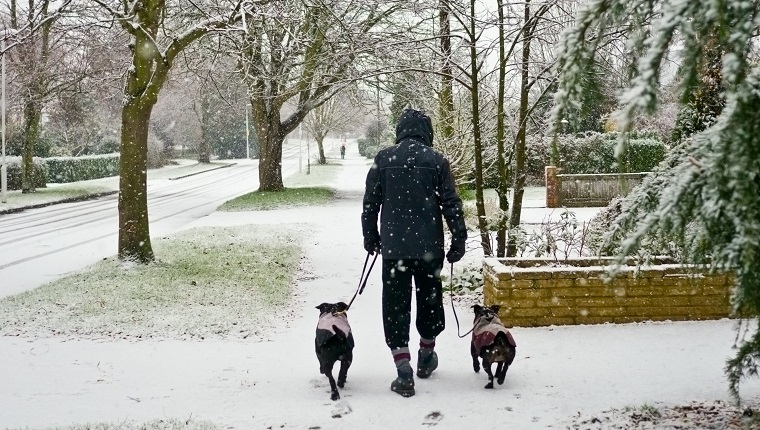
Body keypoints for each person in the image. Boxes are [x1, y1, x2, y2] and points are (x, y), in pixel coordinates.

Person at [361, 108, 467, 397]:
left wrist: (371, 237)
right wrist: (459, 239)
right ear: (426, 132)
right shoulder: (437, 161)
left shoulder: (384, 159)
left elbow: (371, 203)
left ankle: (403, 368)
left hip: (395, 249)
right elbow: (451, 203)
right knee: (429, 300)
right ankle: (426, 355)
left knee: (395, 305)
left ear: (401, 130)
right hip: (428, 249)